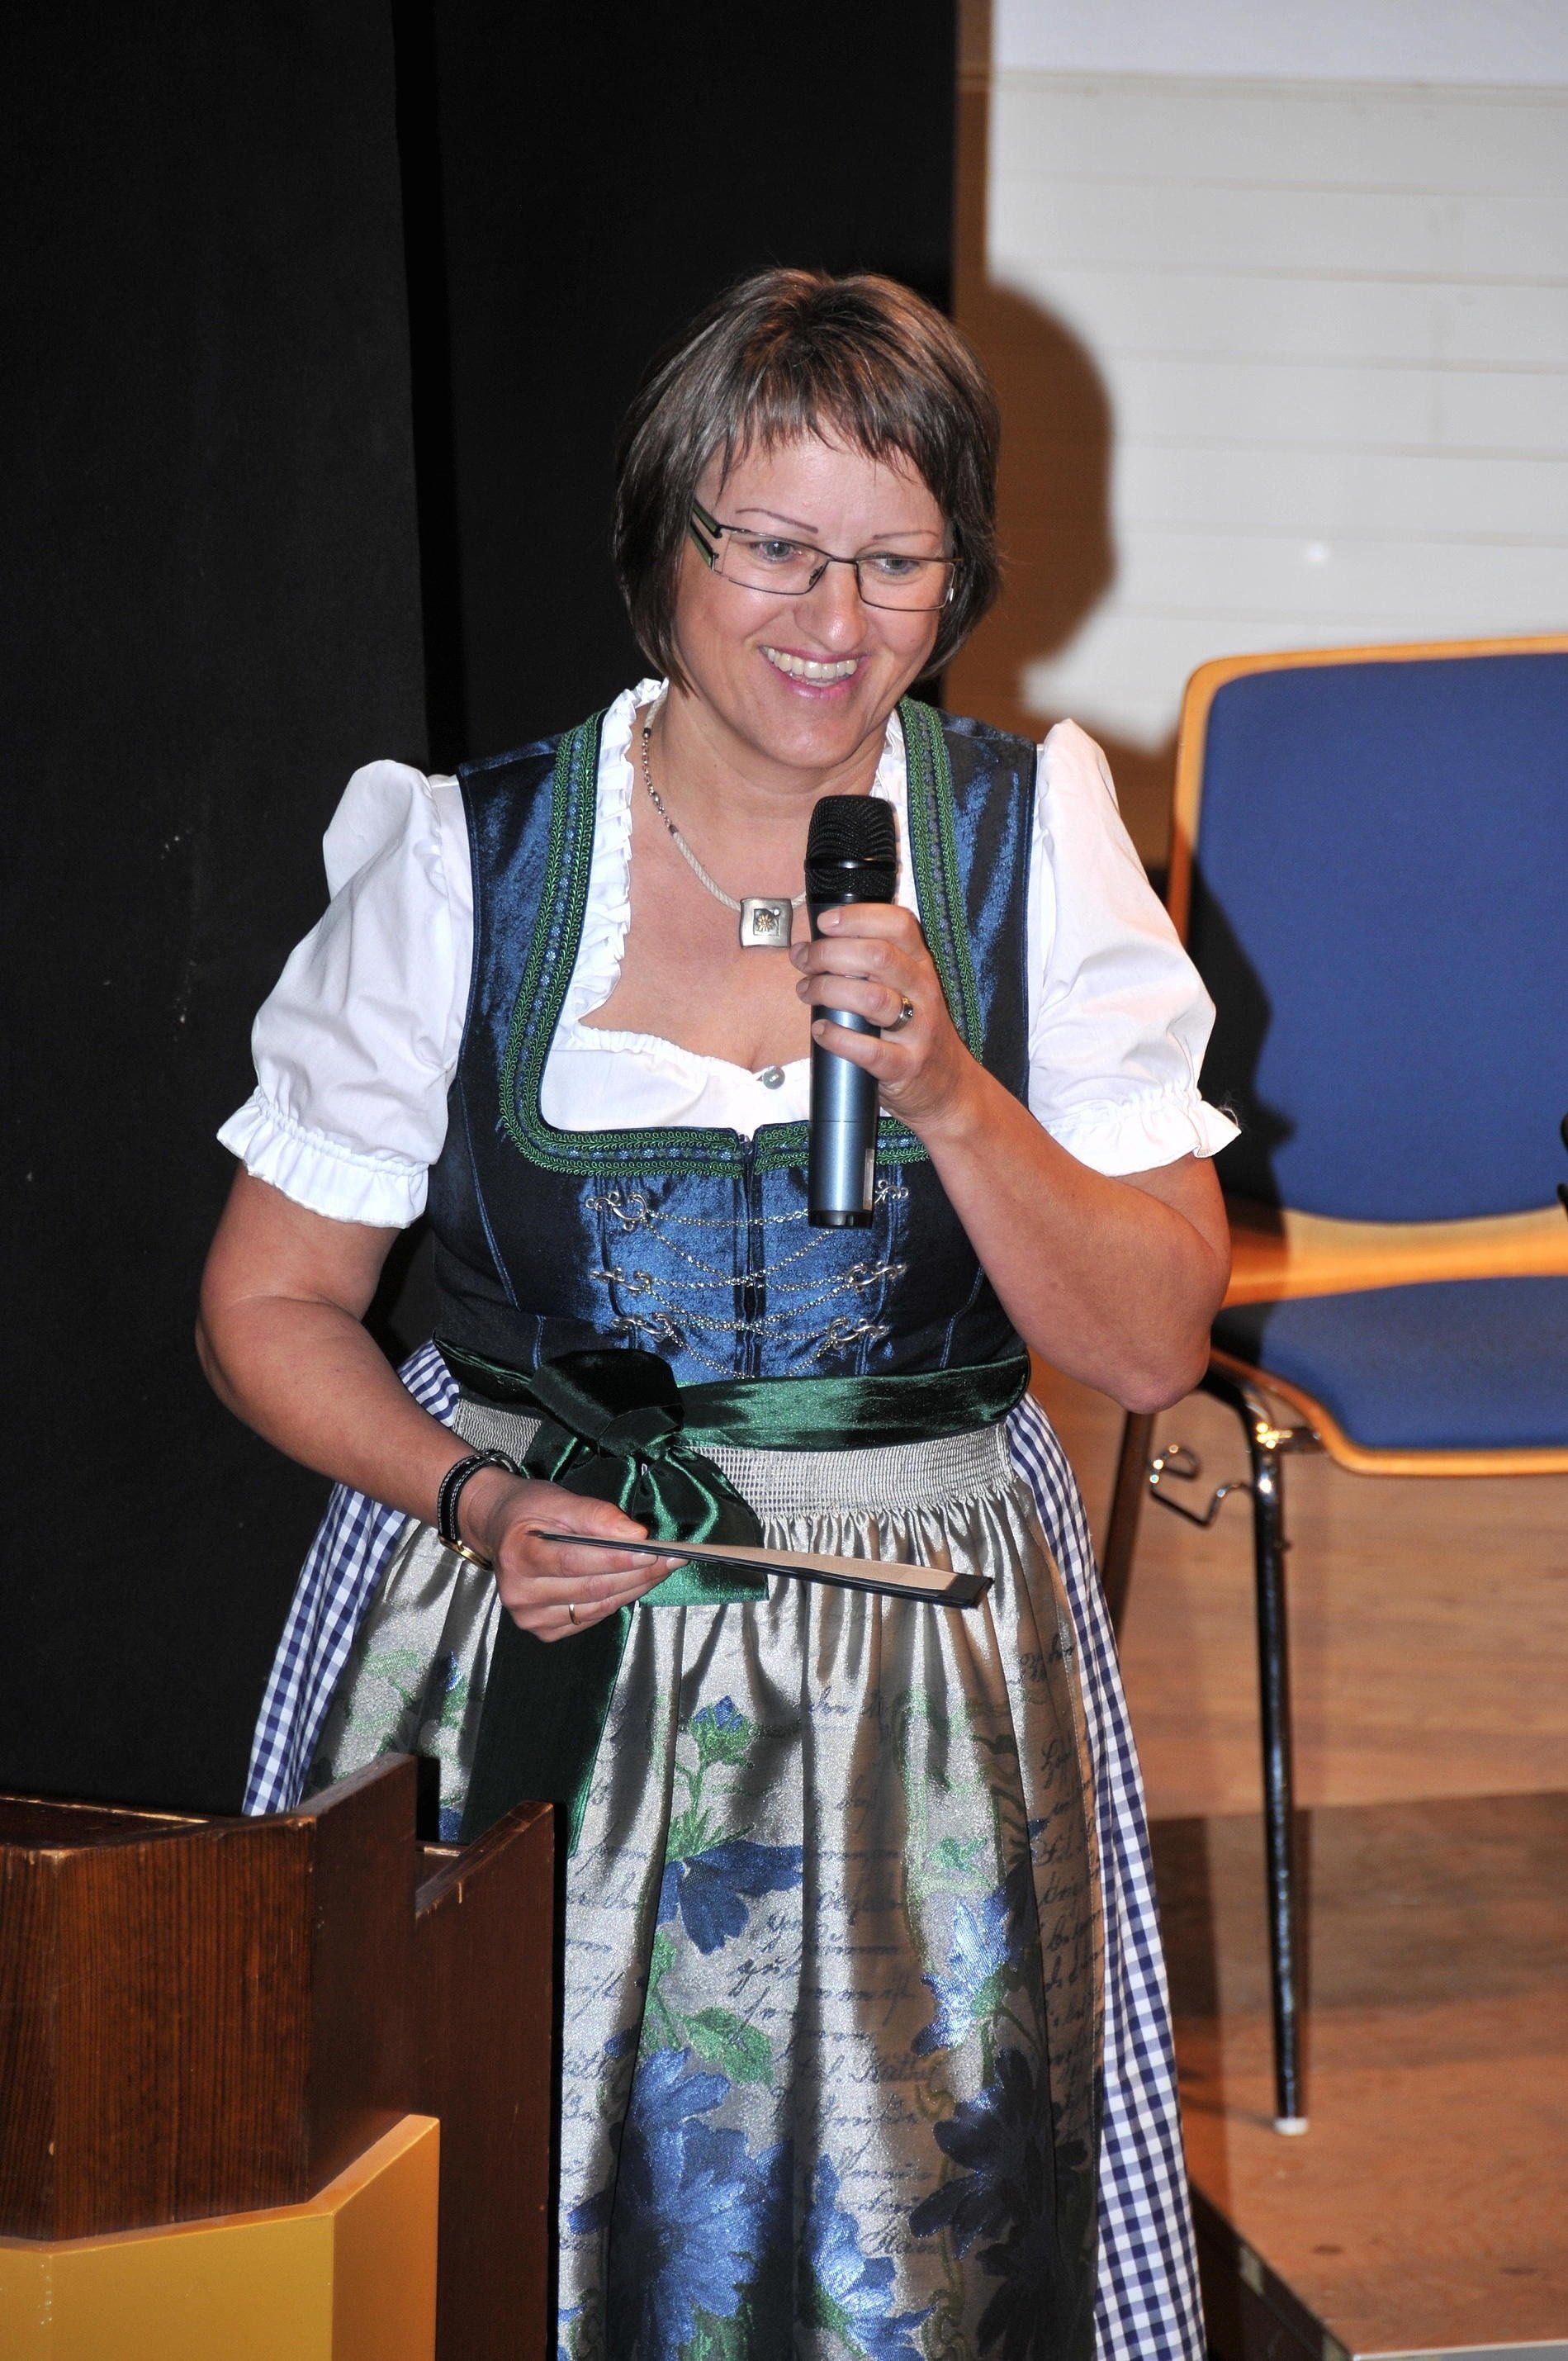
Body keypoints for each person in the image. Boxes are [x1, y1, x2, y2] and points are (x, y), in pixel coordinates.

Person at [200, 269, 1236, 2361]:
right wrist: (474, 1496)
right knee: (483, 2214)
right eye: (770, 544)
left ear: (957, 574)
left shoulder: (1028, 836)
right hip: (525, 1634)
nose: (830, 618)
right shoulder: (467, 857)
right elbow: (267, 1300)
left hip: (915, 1688)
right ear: (659, 540)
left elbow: (1144, 1347)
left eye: (894, 559)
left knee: (902, 2246)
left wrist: (948, 1092)